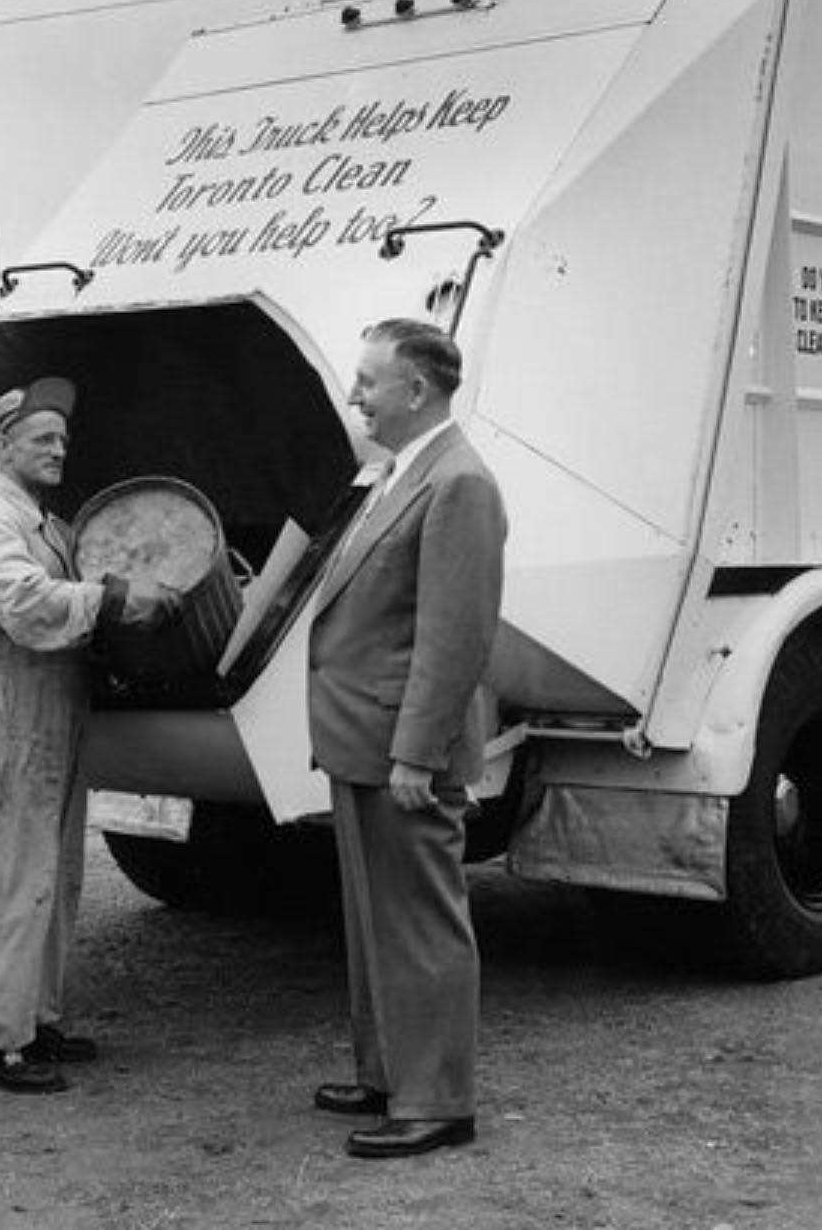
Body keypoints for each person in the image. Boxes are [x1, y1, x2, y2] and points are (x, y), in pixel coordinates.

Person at [307, 318, 507, 1159]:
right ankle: (389, 1072)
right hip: (363, 739)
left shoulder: (459, 483)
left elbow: (454, 639)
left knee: (420, 924)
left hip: (401, 748)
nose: (355, 394)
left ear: (415, 389)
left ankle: (438, 1100)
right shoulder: (399, 474)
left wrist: (417, 753)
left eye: (368, 380)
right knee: (374, 924)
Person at [0, 376, 178, 1093]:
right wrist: (113, 600)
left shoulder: (46, 523)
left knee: (48, 875)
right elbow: (21, 602)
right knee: (4, 880)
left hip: (46, 720)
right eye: (42, 438)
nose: (57, 449)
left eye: (63, 440)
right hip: (7, 724)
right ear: (3, 443)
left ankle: (35, 1019)